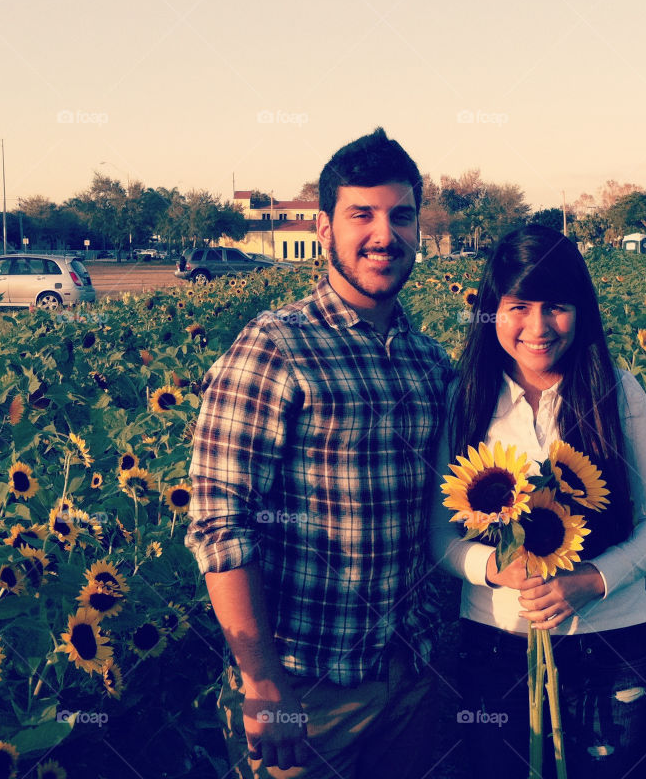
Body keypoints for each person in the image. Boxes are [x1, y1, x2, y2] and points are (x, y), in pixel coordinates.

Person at [185, 128, 452, 778]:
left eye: (401, 215)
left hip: (409, 680)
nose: (384, 235)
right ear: (325, 228)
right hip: (305, 689)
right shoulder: (276, 346)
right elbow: (220, 522)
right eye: (361, 214)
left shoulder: (430, 361)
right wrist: (262, 684)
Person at [430, 225, 646, 777]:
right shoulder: (466, 399)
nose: (538, 327)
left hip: (613, 646)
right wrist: (496, 569)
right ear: (492, 310)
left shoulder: (619, 393)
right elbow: (439, 538)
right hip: (495, 647)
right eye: (518, 306)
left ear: (581, 311)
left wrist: (592, 579)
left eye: (557, 307)